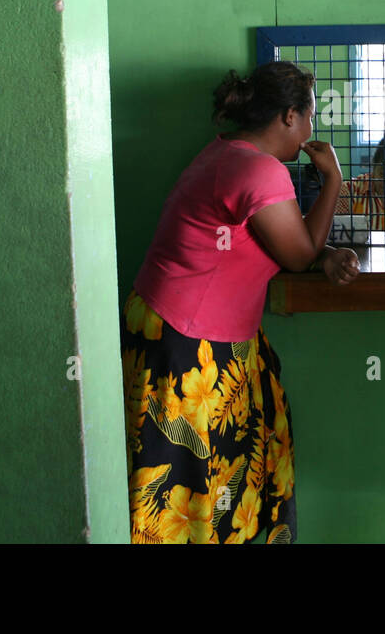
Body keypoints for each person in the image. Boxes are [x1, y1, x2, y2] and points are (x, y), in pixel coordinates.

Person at [121, 61, 360, 544]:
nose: (312, 129)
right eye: (310, 116)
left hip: (172, 331)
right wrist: (332, 179)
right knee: (190, 485)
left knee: (202, 482)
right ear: (289, 117)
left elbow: (262, 239)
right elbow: (295, 253)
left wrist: (325, 252)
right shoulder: (261, 170)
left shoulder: (224, 153)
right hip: (190, 348)